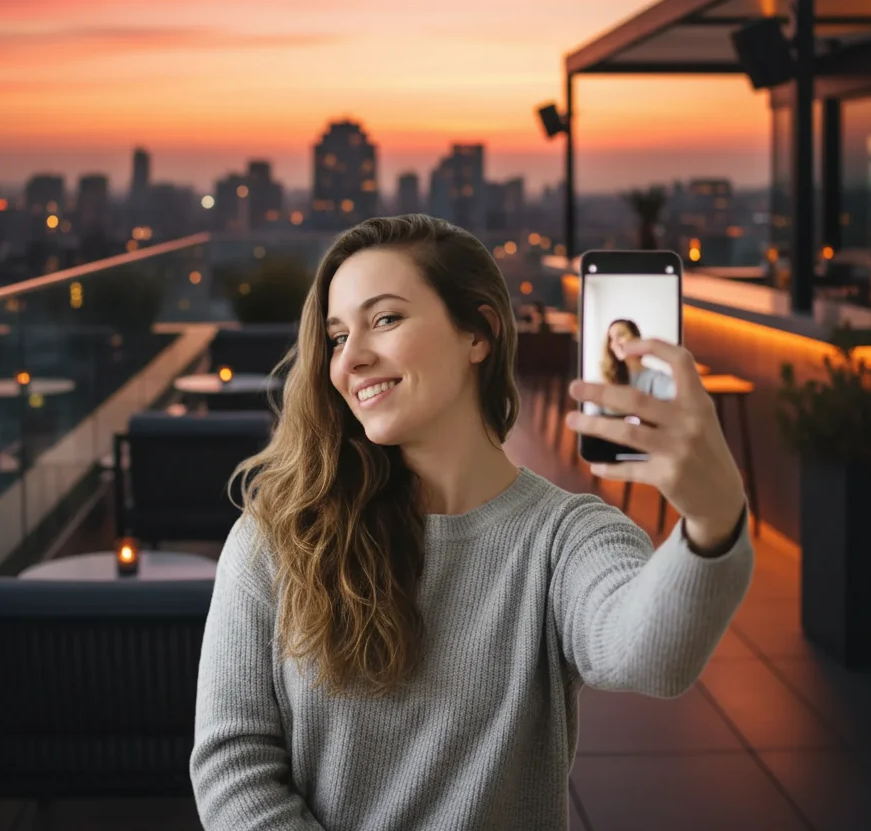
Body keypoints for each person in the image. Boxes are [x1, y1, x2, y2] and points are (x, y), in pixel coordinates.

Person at [191, 214, 753, 831]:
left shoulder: (565, 538)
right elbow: (233, 764)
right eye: (335, 335)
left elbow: (651, 656)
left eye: (384, 319)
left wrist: (712, 517)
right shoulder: (276, 537)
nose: (350, 359)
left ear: (478, 333)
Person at [599, 318, 677, 410]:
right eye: (611, 339)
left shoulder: (656, 378)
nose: (615, 343)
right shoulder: (606, 380)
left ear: (636, 339)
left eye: (620, 335)